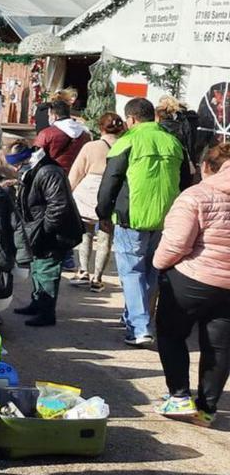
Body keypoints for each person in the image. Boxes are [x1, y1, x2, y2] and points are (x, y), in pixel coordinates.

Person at [96, 97, 191, 347]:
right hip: (165, 219)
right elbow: (185, 181)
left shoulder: (126, 142)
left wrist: (103, 213)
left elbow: (110, 182)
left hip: (132, 219)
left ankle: (140, 326)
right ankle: (136, 317)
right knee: (151, 272)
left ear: (131, 119)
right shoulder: (174, 143)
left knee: (131, 272)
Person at [153, 144, 230, 428]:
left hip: (192, 279)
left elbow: (176, 243)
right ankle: (207, 409)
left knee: (171, 333)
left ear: (207, 167)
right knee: (220, 347)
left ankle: (179, 396)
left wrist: (159, 264)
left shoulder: (196, 195)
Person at [11, 146, 85, 327]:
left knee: (47, 270)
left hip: (53, 232)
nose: (14, 168)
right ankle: (38, 303)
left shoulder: (48, 172)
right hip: (40, 228)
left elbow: (59, 205)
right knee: (38, 268)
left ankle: (46, 313)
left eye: (14, 163)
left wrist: (44, 229)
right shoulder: (36, 170)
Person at [67, 112, 126, 292]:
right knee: (106, 236)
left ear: (100, 127)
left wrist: (68, 193)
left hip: (88, 192)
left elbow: (76, 172)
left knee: (85, 233)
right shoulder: (126, 146)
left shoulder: (90, 146)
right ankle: (98, 278)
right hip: (113, 191)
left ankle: (83, 270)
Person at [33, 100, 90, 172]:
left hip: (53, 175)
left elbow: (35, 158)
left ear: (54, 116)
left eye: (49, 115)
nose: (48, 118)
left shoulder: (46, 134)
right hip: (77, 174)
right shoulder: (85, 133)